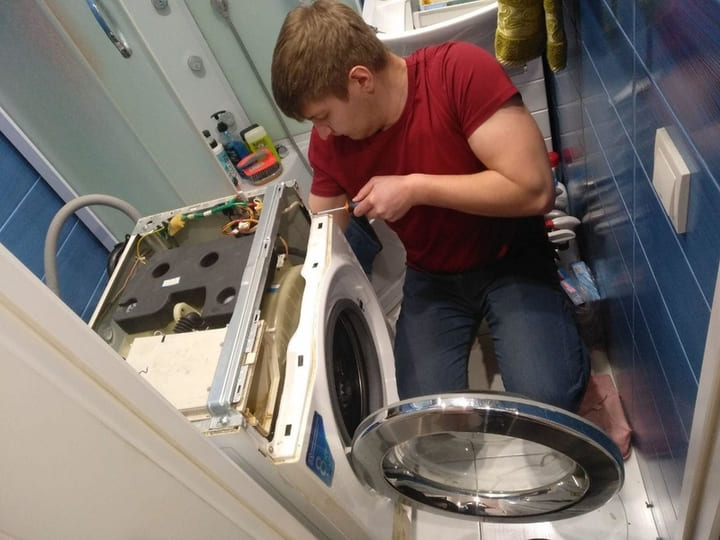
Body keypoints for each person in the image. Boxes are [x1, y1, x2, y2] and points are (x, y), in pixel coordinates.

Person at [271, 0, 589, 412]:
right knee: (426, 412)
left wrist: (415, 188)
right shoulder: (331, 143)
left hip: (510, 257)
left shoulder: (458, 72)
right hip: (433, 275)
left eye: (323, 116)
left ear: (361, 79)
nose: (323, 133)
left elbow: (535, 190)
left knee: (550, 399)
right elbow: (324, 230)